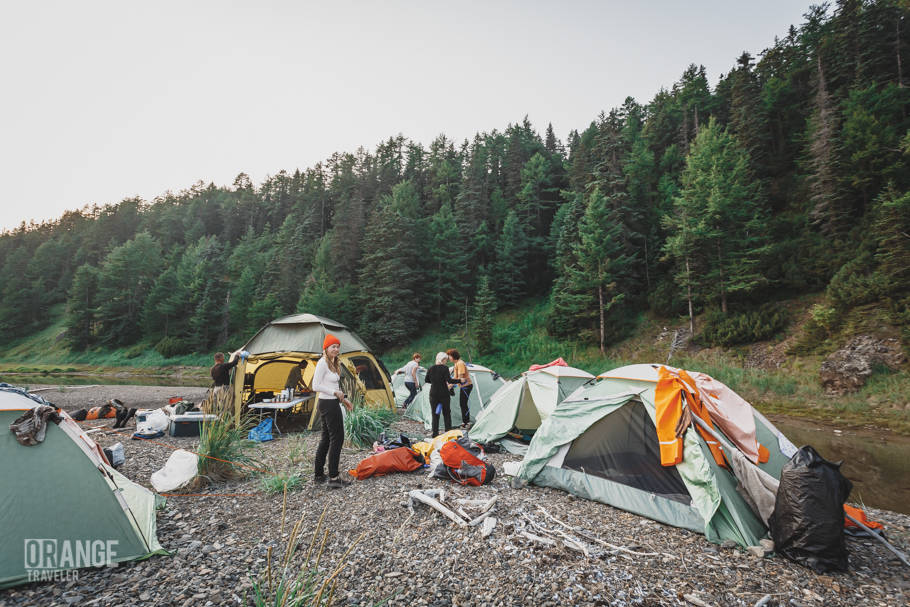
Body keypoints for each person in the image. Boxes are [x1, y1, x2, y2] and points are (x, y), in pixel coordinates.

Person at [312, 334, 354, 488]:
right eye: (333, 347)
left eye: (337, 346)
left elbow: (335, 387)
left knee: (327, 439)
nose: (336, 349)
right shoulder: (322, 362)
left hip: (331, 402)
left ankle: (318, 475)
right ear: (326, 348)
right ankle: (334, 478)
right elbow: (315, 386)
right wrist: (335, 394)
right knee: (337, 438)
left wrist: (344, 398)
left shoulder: (334, 362)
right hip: (328, 404)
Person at [424, 351, 462, 437]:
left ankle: (435, 434)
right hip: (444, 394)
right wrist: (460, 380)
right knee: (446, 413)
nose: (446, 361)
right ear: (443, 359)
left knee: (435, 414)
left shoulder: (430, 368)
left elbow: (426, 380)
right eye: (446, 360)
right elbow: (450, 381)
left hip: (433, 394)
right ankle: (448, 432)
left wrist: (435, 382)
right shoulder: (445, 368)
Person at [447, 348, 473, 428]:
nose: (449, 358)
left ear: (453, 356)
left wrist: (450, 386)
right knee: (463, 404)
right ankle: (465, 421)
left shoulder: (460, 363)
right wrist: (449, 384)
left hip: (466, 386)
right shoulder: (456, 364)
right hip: (463, 386)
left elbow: (460, 378)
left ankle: (466, 422)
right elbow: (455, 377)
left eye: (449, 356)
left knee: (463, 404)